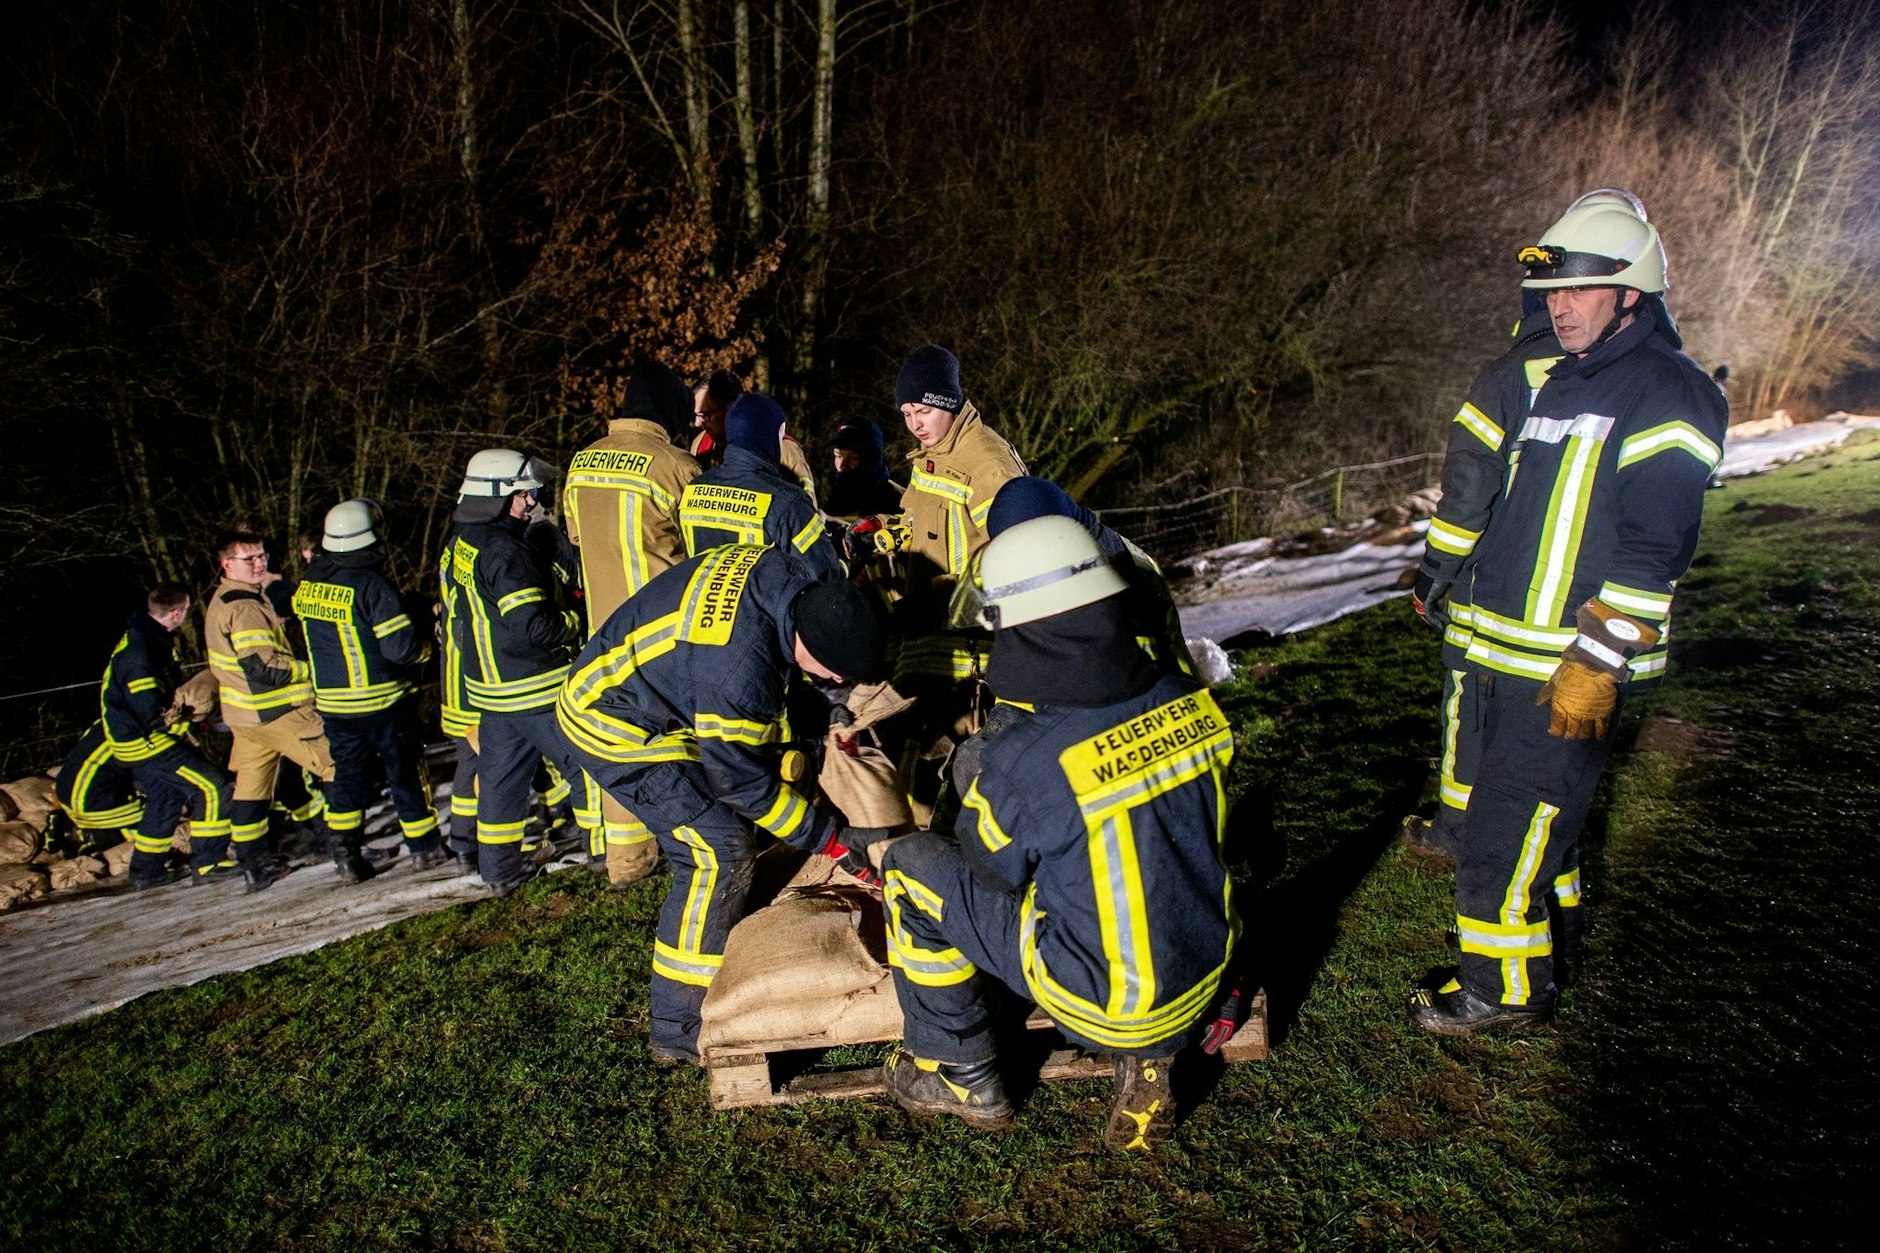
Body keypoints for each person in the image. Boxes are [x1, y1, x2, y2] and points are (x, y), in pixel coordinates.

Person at [1407, 199, 1727, 1035]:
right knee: (1546, 822)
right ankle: (1560, 937)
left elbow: (1658, 545)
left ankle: (1504, 993)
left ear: (1632, 295)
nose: (1561, 306)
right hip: (1514, 653)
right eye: (1552, 292)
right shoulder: (1563, 378)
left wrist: (1599, 658)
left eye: (1581, 291)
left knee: (1503, 835)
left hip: (1571, 667)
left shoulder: (1671, 391)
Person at [877, 515, 1238, 1151]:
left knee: (910, 867)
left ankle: (958, 1070)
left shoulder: (1024, 761)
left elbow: (991, 871)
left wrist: (979, 780)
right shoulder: (1188, 696)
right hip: (1205, 968)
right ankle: (1154, 1046)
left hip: (1096, 998)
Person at [555, 544, 888, 1063]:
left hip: (654, 695)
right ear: (808, 638)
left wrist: (827, 715)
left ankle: (727, 938)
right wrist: (833, 841)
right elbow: (742, 785)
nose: (836, 683)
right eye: (833, 674)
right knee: (717, 851)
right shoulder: (737, 674)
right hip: (613, 727)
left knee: (739, 824)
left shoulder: (789, 574)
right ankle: (678, 1023)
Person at [1406, 189, 1649, 868]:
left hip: (1496, 594)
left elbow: (1467, 490)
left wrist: (1434, 575)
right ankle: (1536, 841)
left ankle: (1457, 826)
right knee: (1546, 749)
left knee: (1466, 703)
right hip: (1582, 611)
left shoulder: (1506, 375)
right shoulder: (1628, 378)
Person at [564, 360, 702, 885]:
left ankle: (627, 862)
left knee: (618, 738)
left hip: (602, 629)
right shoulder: (676, 465)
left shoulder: (580, 463)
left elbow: (577, 536)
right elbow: (702, 541)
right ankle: (690, 842)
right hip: (661, 630)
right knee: (675, 737)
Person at [445, 449, 597, 895]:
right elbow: (535, 625)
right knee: (586, 765)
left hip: (492, 695)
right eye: (525, 492)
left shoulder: (460, 544)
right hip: (536, 690)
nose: (532, 501)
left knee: (499, 784)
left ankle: (499, 872)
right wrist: (578, 621)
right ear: (499, 496)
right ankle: (605, 851)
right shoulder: (504, 551)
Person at [295, 500, 444, 879]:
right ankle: (425, 848)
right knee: (405, 774)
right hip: (383, 702)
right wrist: (429, 649)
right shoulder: (371, 585)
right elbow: (401, 649)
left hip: (334, 707)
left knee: (348, 778)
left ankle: (345, 856)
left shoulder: (310, 584)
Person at [202, 531, 329, 885]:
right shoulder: (244, 606)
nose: (259, 564)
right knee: (338, 765)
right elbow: (266, 668)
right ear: (226, 564)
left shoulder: (225, 599)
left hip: (245, 717)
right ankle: (347, 847)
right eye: (249, 559)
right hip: (278, 711)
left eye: (262, 557)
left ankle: (254, 865)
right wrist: (311, 669)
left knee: (251, 791)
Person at [98, 584, 241, 890]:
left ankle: (145, 871)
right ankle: (208, 862)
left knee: (166, 799)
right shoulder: (140, 655)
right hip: (147, 743)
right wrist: (188, 716)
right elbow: (152, 712)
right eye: (187, 611)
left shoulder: (146, 639)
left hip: (133, 743)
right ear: (177, 613)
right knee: (214, 786)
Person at [679, 393, 843, 578]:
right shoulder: (788, 501)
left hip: (702, 605)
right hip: (765, 607)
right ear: (772, 435)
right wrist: (847, 563)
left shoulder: (692, 491)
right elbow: (826, 576)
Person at [690, 368, 819, 503]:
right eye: (696, 415)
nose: (697, 423)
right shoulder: (701, 444)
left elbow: (805, 509)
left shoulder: (783, 448)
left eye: (705, 415)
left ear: (730, 407)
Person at [823, 417, 904, 520]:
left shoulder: (899, 501)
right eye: (838, 456)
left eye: (853, 458)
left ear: (872, 459)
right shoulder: (837, 497)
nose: (842, 465)